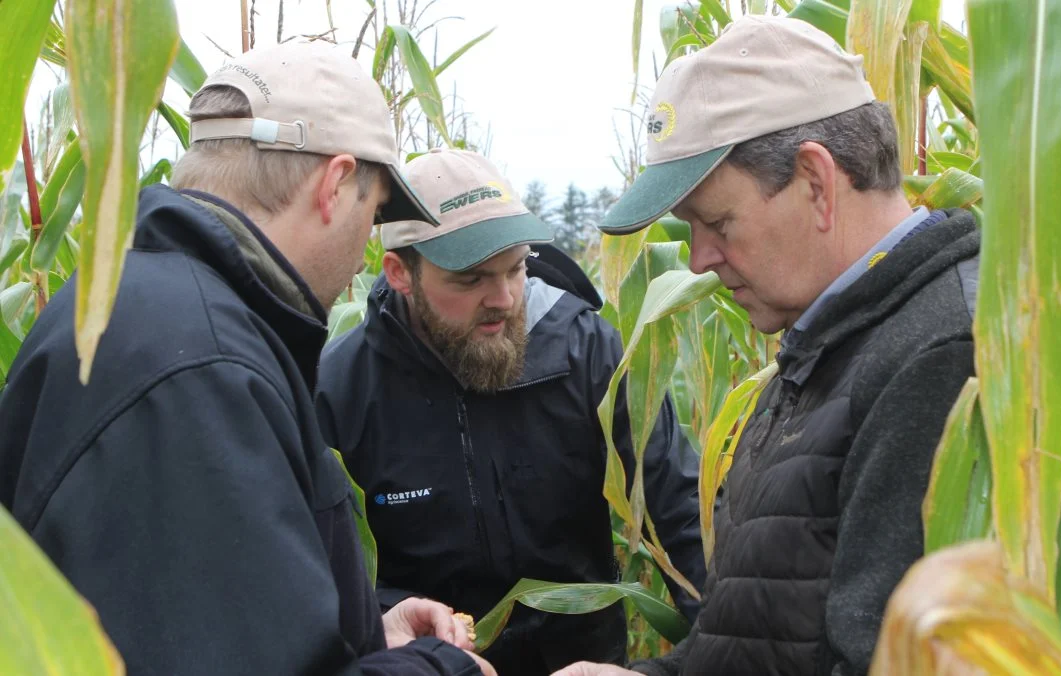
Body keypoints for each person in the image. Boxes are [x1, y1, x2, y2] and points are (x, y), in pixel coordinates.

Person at [0, 42, 494, 676]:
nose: (360, 258)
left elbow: (195, 614)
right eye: (373, 216)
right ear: (336, 184)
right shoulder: (198, 374)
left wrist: (363, 627)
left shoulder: (132, 306)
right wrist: (443, 669)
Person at [555, 15, 981, 676]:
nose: (697, 260)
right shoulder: (823, 350)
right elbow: (756, 639)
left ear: (815, 181)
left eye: (717, 222)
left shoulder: (940, 358)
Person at [315, 148, 707, 675]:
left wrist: (717, 652)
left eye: (516, 268)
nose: (504, 298)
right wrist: (390, 624)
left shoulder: (587, 351)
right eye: (471, 278)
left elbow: (683, 510)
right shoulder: (342, 387)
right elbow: (322, 572)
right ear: (401, 274)